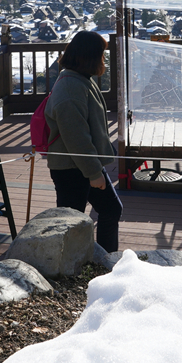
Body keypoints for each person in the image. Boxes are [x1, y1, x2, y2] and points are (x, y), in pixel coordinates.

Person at [44, 31, 122, 252]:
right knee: (70, 226)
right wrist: (94, 173)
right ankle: (68, 269)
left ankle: (106, 259)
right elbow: (76, 137)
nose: (103, 60)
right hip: (72, 167)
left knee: (109, 210)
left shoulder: (78, 79)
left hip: (82, 165)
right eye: (102, 55)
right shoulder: (71, 87)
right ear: (90, 56)